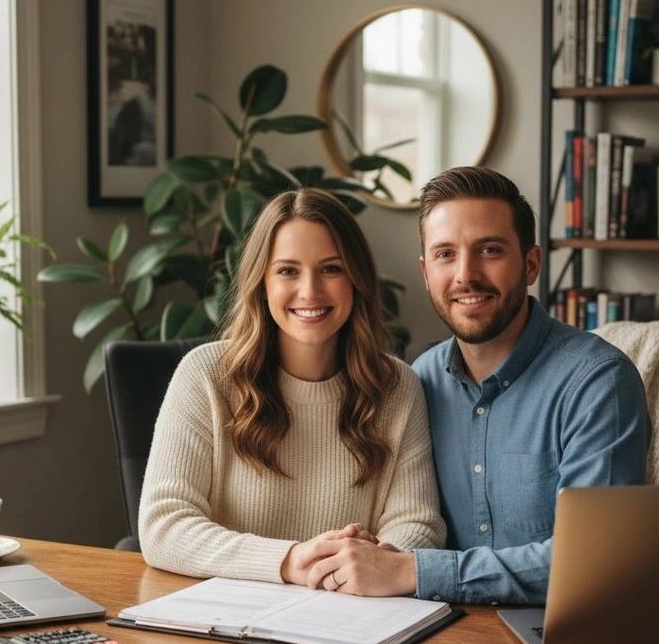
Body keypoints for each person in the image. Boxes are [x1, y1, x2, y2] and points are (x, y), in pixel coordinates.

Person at [300, 166, 650, 603]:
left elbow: (594, 559)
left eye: (489, 250)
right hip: (435, 632)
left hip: (561, 639)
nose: (466, 275)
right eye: (446, 254)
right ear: (426, 272)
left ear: (531, 264)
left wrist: (415, 571)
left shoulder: (597, 383)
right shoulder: (417, 381)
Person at [138, 188, 445, 583]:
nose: (310, 291)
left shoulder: (398, 387)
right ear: (261, 282)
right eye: (287, 270)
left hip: (348, 617)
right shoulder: (205, 375)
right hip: (224, 621)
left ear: (357, 278)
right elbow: (164, 526)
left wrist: (372, 560)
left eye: (331, 269)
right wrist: (292, 561)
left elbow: (419, 524)